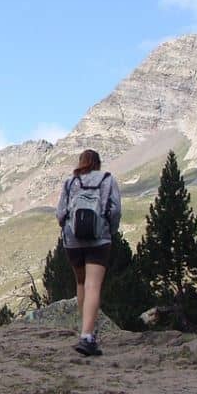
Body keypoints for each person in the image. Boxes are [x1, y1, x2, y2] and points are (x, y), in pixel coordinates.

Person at [56, 149, 121, 356]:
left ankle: (84, 330)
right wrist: (109, 230)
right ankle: (87, 336)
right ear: (98, 163)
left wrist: (68, 228)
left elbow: (60, 213)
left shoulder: (70, 183)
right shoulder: (107, 180)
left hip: (72, 240)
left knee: (81, 283)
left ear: (81, 163)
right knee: (94, 285)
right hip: (98, 239)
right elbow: (115, 210)